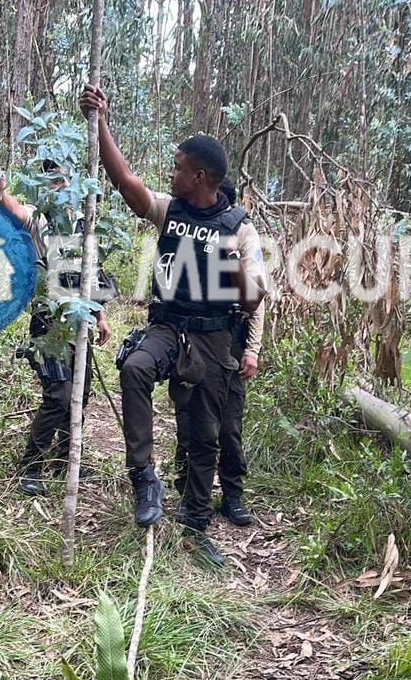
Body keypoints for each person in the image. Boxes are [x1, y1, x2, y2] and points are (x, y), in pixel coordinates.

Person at [80, 84, 266, 566]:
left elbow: (253, 297)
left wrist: (229, 267)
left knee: (205, 434)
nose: (171, 171)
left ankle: (196, 522)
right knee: (134, 369)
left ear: (199, 176)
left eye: (179, 166)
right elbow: (126, 183)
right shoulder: (171, 209)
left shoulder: (240, 229)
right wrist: (100, 122)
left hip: (213, 336)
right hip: (168, 324)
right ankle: (143, 476)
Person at [0, 160, 111, 496]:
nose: (59, 186)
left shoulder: (83, 220)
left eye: (63, 179)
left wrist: (99, 314)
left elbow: (92, 271)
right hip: (48, 321)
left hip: (80, 319)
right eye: (52, 180)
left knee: (80, 393)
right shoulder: (42, 215)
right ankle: (30, 468)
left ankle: (65, 462)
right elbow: (18, 212)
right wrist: (1, 190)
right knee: (58, 394)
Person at [174, 178, 265, 526]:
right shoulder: (187, 234)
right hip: (191, 340)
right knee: (189, 419)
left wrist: (252, 350)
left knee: (228, 424)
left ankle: (232, 495)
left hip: (231, 341)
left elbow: (256, 301)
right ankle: (189, 491)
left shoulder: (240, 236)